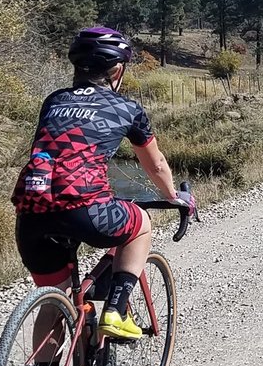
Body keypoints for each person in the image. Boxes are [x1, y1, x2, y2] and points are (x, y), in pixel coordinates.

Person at [12, 26, 194, 348]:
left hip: (31, 213)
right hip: (83, 207)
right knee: (140, 224)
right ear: (117, 70)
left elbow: (58, 150)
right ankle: (116, 311)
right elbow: (156, 165)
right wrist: (174, 197)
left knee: (58, 302)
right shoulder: (127, 109)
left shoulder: (53, 101)